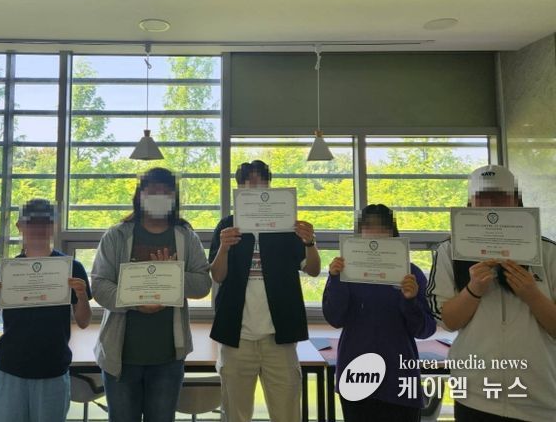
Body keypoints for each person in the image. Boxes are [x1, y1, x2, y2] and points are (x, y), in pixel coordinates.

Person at [426, 165, 556, 422]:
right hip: (475, 394)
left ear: (516, 201)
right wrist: (473, 289)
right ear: (470, 203)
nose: (491, 205)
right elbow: (449, 321)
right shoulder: (449, 251)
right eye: (482, 198)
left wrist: (532, 294)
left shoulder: (549, 253)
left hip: (539, 397)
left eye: (500, 197)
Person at [91, 167, 211, 422]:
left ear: (174, 198)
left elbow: (203, 284)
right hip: (120, 357)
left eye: (165, 191)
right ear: (140, 195)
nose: (159, 196)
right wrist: (135, 303)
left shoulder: (186, 236)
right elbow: (99, 286)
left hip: (168, 357)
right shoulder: (117, 235)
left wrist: (173, 274)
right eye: (152, 190)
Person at [208, 160, 321, 422]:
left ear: (270, 186)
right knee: (235, 414)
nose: (255, 187)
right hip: (236, 337)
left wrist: (310, 242)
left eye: (261, 182)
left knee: (287, 414)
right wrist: (224, 248)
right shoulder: (227, 226)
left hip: (279, 338)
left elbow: (313, 270)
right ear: (239, 189)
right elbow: (217, 275)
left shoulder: (287, 225)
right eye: (248, 182)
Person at [0, 198, 92, 422]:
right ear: (20, 226)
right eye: (31, 223)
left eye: (45, 223)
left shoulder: (71, 268)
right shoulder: (5, 272)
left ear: (54, 226)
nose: (38, 229)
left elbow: (83, 321)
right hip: (10, 370)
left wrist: (82, 296)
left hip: (53, 369)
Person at [322, 204, 436, 422]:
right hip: (356, 371)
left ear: (393, 235)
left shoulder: (410, 274)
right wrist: (335, 279)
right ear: (358, 237)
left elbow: (425, 330)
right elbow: (335, 318)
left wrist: (410, 300)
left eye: (382, 229)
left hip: (398, 375)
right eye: (368, 228)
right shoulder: (345, 271)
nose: (375, 236)